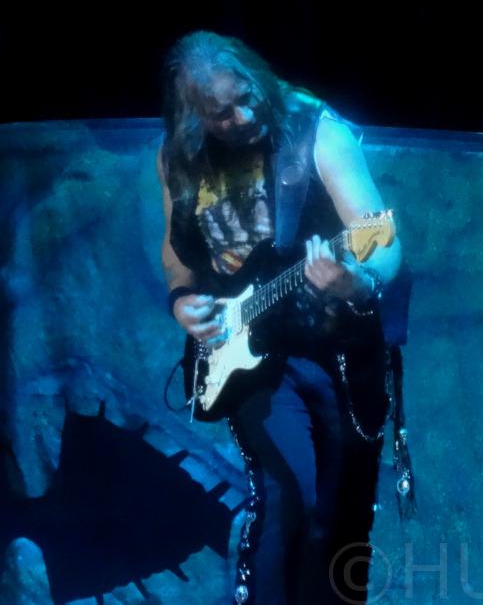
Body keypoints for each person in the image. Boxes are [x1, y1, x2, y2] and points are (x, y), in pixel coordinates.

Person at [157, 31, 403, 604]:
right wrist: (180, 298)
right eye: (222, 113)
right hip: (248, 356)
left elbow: (383, 240)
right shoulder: (177, 157)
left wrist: (356, 281)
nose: (242, 117)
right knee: (288, 496)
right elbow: (175, 253)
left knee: (341, 517)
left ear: (257, 77)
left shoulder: (318, 132)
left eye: (246, 97)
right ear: (194, 115)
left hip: (336, 349)